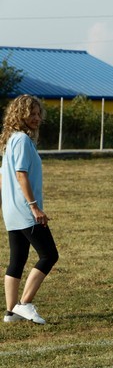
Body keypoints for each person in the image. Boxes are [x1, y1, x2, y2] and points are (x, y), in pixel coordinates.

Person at [1, 94, 59, 325]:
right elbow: (20, 174)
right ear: (20, 115)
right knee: (49, 255)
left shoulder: (10, 139)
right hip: (25, 211)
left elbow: (3, 177)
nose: (36, 118)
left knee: (18, 258)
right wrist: (34, 207)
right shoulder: (23, 140)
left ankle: (10, 312)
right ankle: (23, 305)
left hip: (12, 210)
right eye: (31, 114)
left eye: (38, 114)